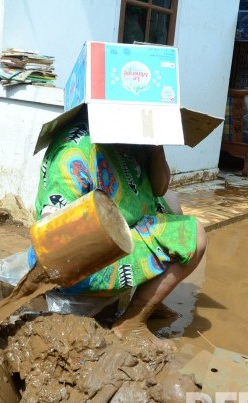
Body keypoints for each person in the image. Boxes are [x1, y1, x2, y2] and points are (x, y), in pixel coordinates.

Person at [34, 110, 206, 349]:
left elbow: (160, 188)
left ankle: (148, 299)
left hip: (121, 231)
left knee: (172, 203)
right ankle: (131, 322)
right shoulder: (75, 149)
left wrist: (156, 147)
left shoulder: (131, 137)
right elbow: (55, 241)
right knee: (194, 236)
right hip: (84, 261)